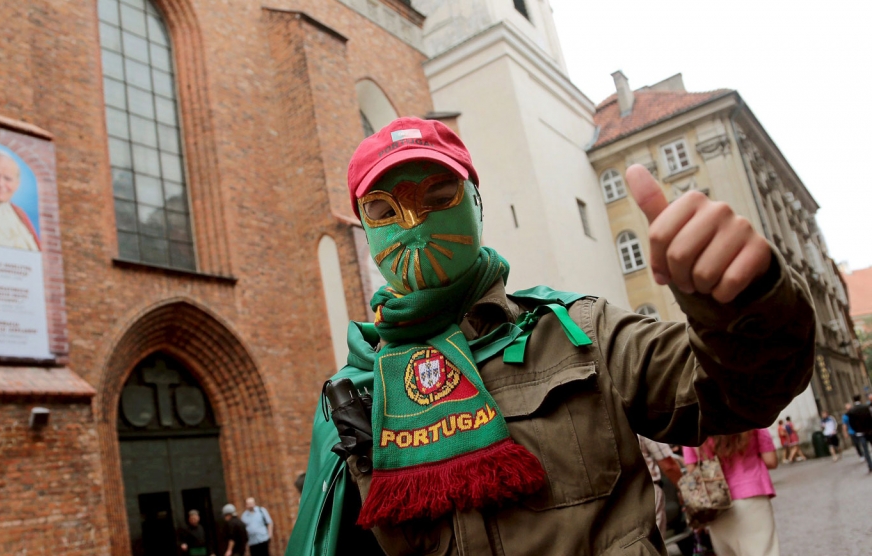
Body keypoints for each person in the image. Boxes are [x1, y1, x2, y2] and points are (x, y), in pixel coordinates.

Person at [286, 117, 816, 556]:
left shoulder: (578, 332)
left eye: (439, 194)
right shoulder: (352, 391)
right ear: (364, 224)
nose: (414, 223)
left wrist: (747, 300)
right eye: (383, 209)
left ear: (477, 202)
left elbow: (735, 391)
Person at [683, 430, 779, 556]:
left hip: (717, 504)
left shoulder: (692, 428)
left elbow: (692, 471)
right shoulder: (752, 419)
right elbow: (770, 461)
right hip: (752, 495)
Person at [638, 435, 682, 537]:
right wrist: (684, 490)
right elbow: (668, 465)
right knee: (654, 544)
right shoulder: (642, 425)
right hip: (648, 490)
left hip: (620, 498)